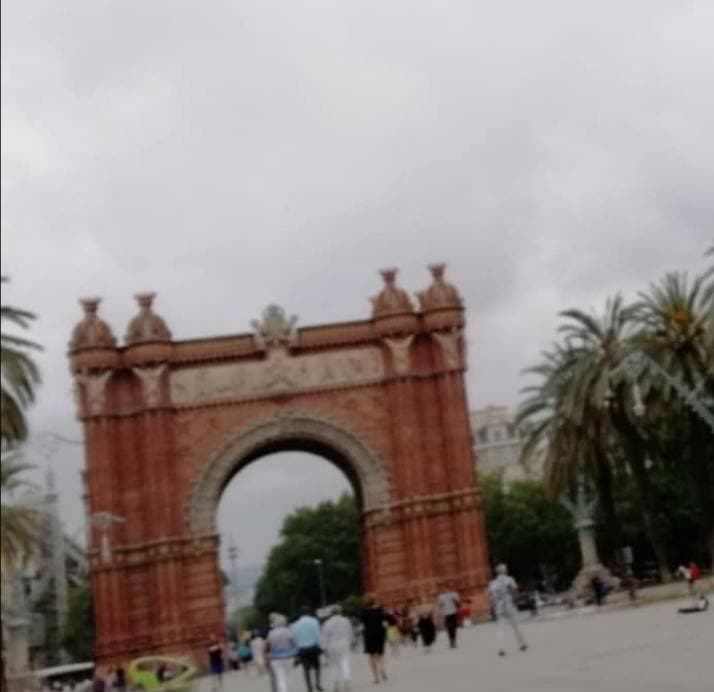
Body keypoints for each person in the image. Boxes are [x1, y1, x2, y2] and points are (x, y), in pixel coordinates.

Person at [487, 563, 527, 656]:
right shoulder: (509, 579)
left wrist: (492, 606)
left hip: (498, 607)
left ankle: (501, 648)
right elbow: (514, 591)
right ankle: (522, 644)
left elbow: (490, 596)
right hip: (509, 605)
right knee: (516, 626)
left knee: (500, 628)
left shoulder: (492, 583)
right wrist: (515, 599)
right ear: (504, 571)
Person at [291, 606, 324, 692]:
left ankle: (309, 688)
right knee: (317, 667)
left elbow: (295, 638)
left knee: (306, 669)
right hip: (313, 648)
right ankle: (317, 684)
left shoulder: (295, 625)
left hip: (302, 650)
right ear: (309, 612)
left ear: (300, 614)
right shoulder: (314, 621)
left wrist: (296, 652)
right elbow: (318, 635)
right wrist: (321, 647)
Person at [321, 606, 353, 692]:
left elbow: (324, 637)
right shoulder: (346, 621)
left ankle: (336, 685)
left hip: (332, 646)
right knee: (345, 663)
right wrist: (350, 643)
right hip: (344, 644)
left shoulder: (327, 623)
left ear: (331, 613)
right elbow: (350, 633)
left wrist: (324, 648)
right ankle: (347, 683)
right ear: (340, 612)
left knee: (334, 665)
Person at [360, 594, 389, 684]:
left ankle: (376, 677)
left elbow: (362, 621)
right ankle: (382, 670)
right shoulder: (380, 609)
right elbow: (385, 620)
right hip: (380, 633)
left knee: (372, 656)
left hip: (369, 634)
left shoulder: (364, 611)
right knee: (380, 654)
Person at [267, 613, 298, 692]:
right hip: (288, 657)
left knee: (280, 678)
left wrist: (268, 656)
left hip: (275, 659)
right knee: (288, 677)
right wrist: (295, 652)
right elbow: (294, 643)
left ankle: (283, 690)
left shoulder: (271, 633)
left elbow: (268, 647)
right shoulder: (288, 631)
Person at [437, 584, 461, 648]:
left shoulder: (453, 594)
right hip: (446, 613)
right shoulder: (441, 596)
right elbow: (439, 605)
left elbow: (458, 601)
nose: (444, 589)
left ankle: (453, 640)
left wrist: (454, 600)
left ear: (448, 588)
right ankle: (451, 640)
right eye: (443, 588)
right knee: (449, 628)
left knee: (453, 627)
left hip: (453, 612)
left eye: (445, 588)